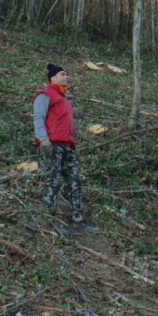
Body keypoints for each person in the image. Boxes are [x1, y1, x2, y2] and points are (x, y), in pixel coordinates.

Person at [34, 64, 93, 232]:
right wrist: (43, 140)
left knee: (75, 181)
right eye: (62, 74)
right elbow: (38, 117)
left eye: (66, 74)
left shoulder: (65, 100)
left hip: (68, 147)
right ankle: (48, 221)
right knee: (53, 180)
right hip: (52, 145)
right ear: (52, 78)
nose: (66, 77)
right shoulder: (45, 95)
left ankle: (78, 220)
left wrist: (73, 145)